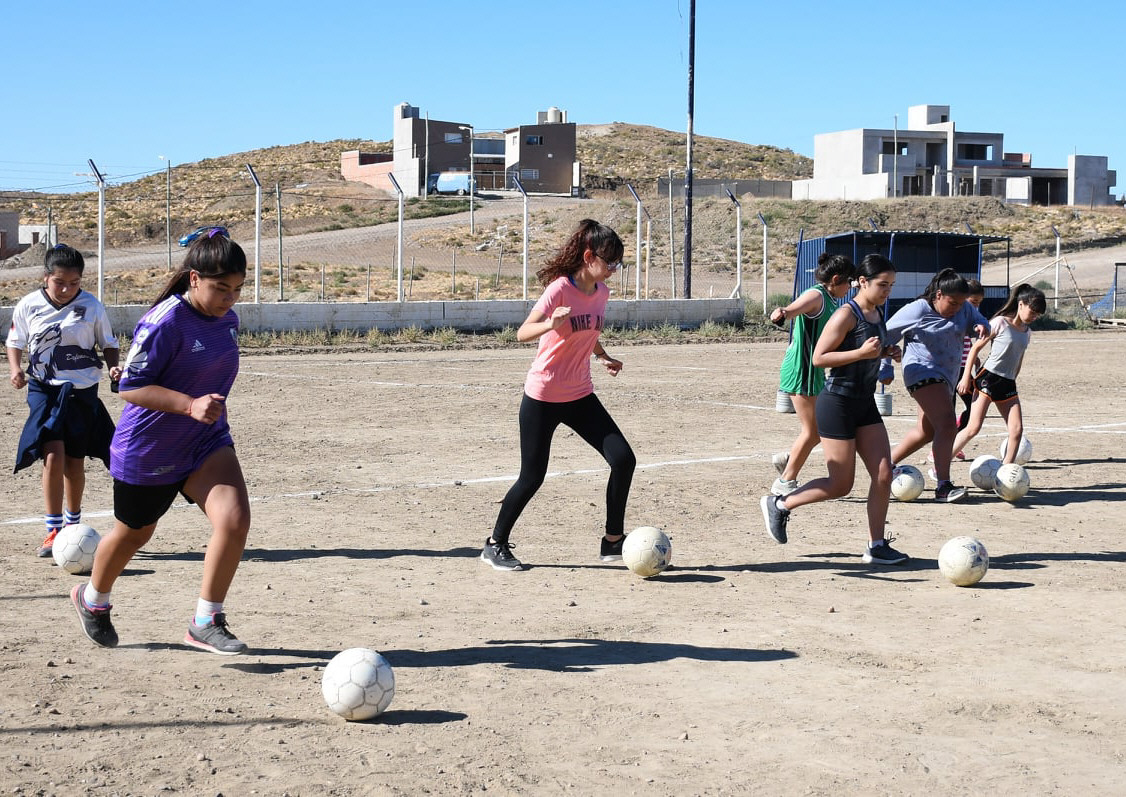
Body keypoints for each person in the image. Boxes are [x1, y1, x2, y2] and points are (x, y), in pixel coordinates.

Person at [70, 228, 252, 655]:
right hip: (149, 448)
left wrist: (199, 414)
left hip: (205, 441)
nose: (230, 298)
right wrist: (189, 405)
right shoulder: (163, 321)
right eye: (220, 288)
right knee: (134, 535)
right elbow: (130, 387)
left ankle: (206, 620)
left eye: (238, 289)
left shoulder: (227, 319)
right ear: (193, 279)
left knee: (234, 519)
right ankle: (92, 599)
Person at [482, 219, 636, 572]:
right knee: (532, 476)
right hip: (543, 396)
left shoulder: (602, 293)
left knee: (623, 459)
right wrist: (551, 323)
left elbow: (588, 329)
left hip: (580, 394)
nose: (613, 270)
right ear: (589, 256)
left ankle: (613, 541)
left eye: (617, 264)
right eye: (609, 262)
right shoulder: (559, 290)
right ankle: (495, 544)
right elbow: (523, 333)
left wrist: (602, 356)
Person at [760, 254, 908, 564]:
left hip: (864, 403)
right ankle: (781, 504)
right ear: (863, 282)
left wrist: (886, 352)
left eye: (891, 285)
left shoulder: (876, 313)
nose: (887, 291)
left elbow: (869, 350)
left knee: (883, 474)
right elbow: (820, 358)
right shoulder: (845, 314)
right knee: (841, 484)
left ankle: (876, 545)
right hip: (837, 403)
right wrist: (859, 353)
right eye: (883, 284)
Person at [6, 244, 121, 557]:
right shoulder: (29, 305)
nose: (67, 289)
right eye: (60, 282)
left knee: (74, 462)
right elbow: (15, 342)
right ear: (46, 278)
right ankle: (54, 529)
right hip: (44, 389)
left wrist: (113, 365)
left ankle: (73, 523)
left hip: (82, 392)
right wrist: (16, 369)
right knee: (53, 456)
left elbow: (109, 343)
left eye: (74, 283)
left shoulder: (92, 306)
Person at [880, 268, 989, 502]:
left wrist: (982, 326)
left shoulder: (965, 308)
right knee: (948, 424)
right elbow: (884, 335)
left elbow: (977, 320)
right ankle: (943, 486)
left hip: (946, 377)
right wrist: (885, 366)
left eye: (961, 303)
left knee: (926, 431)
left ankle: (883, 467)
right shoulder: (918, 309)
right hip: (921, 371)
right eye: (952, 303)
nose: (957, 308)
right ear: (938, 295)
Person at [767, 253, 856, 496]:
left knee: (818, 428)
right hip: (802, 369)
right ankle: (785, 481)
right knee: (814, 431)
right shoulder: (816, 295)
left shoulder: (830, 299)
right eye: (848, 283)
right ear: (836, 279)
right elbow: (793, 308)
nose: (849, 288)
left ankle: (789, 460)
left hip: (813, 371)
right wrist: (782, 312)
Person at [950, 284, 1046, 462]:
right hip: (988, 379)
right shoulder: (999, 323)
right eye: (1032, 311)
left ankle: (1005, 472)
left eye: (1037, 314)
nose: (1034, 317)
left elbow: (1019, 358)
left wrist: (1013, 379)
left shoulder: (1027, 333)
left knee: (1016, 431)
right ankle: (941, 462)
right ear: (1021, 304)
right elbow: (974, 349)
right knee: (973, 427)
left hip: (1008, 383)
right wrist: (965, 378)